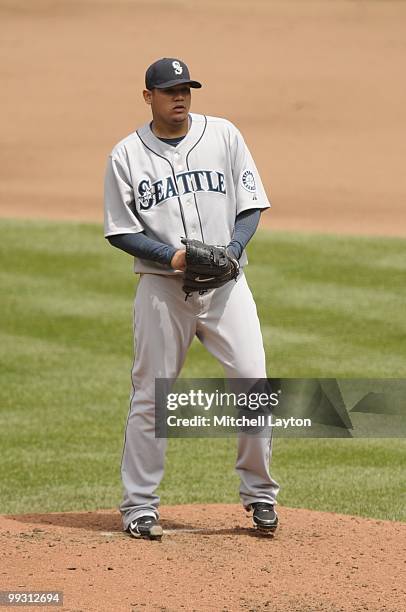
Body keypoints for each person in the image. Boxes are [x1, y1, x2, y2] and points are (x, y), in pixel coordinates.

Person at [104, 57, 280, 540]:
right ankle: (139, 506)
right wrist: (171, 257)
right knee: (151, 399)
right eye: (169, 90)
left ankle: (261, 495)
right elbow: (121, 231)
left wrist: (233, 251)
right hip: (163, 291)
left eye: (185, 89)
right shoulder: (125, 155)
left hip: (226, 289)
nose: (179, 97)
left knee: (255, 385)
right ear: (148, 97)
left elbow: (250, 206)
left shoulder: (223, 135)